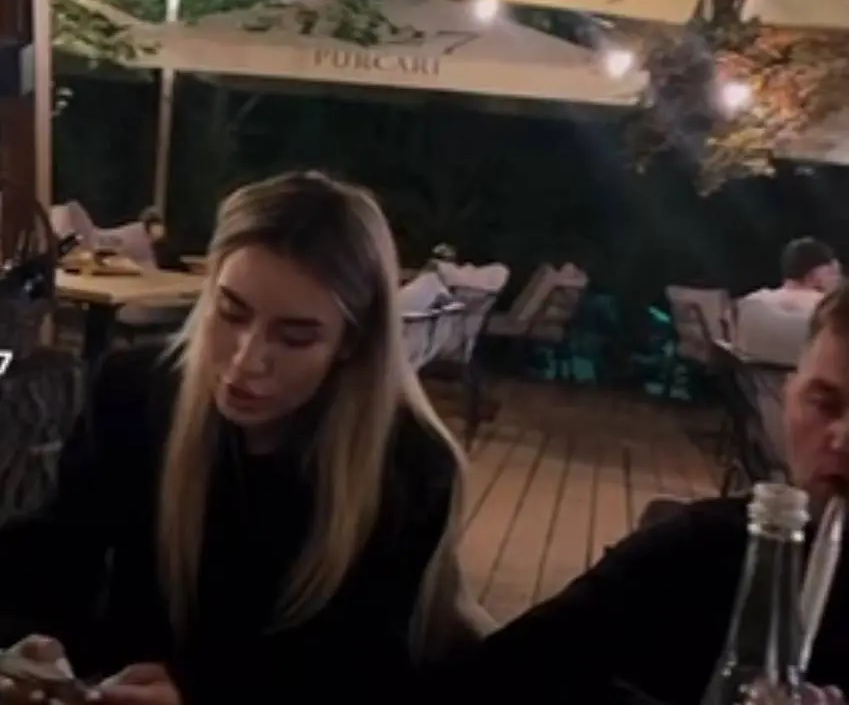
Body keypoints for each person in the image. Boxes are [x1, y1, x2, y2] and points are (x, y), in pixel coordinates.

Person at [0, 172, 490, 704]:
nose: (245, 361)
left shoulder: (409, 467)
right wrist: (29, 638)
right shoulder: (135, 392)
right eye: (231, 313)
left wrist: (203, 690)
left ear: (351, 343)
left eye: (294, 337)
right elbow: (58, 557)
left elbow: (364, 668)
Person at [444, 283, 849, 704]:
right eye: (824, 403)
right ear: (788, 396)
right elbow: (500, 673)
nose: (842, 440)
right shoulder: (700, 551)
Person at [737, 237, 842, 366]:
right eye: (834, 273)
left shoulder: (750, 304)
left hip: (757, 378)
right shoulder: (830, 311)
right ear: (816, 274)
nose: (838, 280)